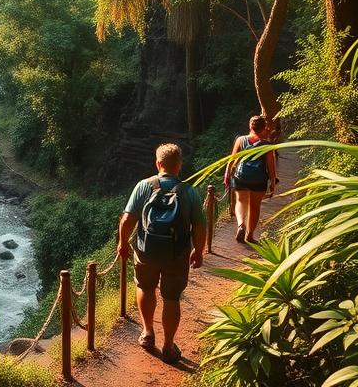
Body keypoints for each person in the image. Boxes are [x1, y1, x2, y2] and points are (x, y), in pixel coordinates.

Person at [118, 143, 206, 365]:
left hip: (146, 251)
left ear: (158, 164)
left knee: (145, 288)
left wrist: (122, 243)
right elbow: (199, 226)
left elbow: (128, 219)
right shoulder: (190, 191)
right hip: (177, 254)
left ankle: (148, 333)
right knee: (171, 297)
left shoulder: (143, 186)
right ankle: (168, 346)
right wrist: (198, 250)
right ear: (179, 166)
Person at [224, 116, 277, 243]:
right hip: (259, 179)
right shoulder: (267, 145)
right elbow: (270, 166)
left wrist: (227, 175)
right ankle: (250, 236)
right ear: (264, 128)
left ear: (250, 126)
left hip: (241, 177)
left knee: (241, 201)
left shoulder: (241, 140)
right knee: (255, 206)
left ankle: (241, 224)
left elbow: (232, 160)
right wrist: (273, 182)